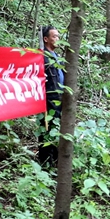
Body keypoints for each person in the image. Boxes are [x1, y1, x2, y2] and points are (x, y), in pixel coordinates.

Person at [37, 26, 65, 167]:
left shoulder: (57, 57)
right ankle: (46, 161)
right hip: (49, 99)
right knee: (47, 128)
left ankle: (54, 159)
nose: (57, 39)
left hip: (59, 99)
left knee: (57, 128)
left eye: (58, 36)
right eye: (54, 36)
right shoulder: (42, 58)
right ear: (46, 39)